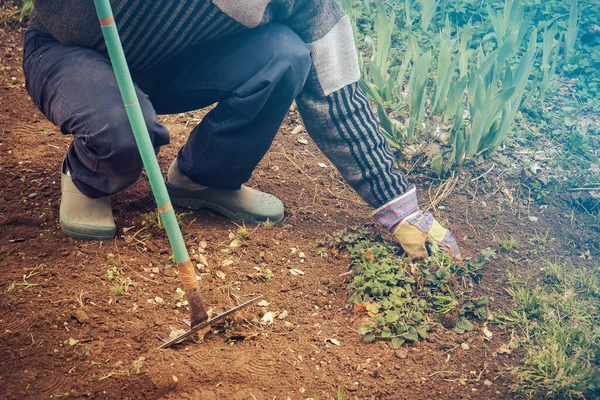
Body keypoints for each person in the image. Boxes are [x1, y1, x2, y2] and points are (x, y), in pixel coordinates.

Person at [23, 0, 460, 260]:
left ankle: (202, 178)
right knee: (123, 132)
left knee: (287, 53)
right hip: (73, 51)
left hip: (172, 65)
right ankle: (90, 175)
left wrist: (399, 208)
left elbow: (335, 90)